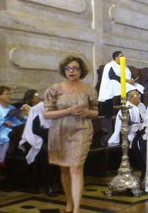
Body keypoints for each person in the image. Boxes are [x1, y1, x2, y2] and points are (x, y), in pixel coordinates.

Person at [44, 56, 98, 213]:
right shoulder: (54, 89)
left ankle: (77, 209)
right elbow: (47, 114)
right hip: (60, 130)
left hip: (82, 129)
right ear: (64, 70)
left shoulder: (89, 89)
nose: (71, 71)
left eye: (75, 68)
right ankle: (69, 202)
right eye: (68, 68)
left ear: (81, 71)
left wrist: (87, 112)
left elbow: (95, 111)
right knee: (65, 169)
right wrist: (68, 111)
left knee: (76, 167)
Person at [19, 101, 59, 197]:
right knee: (46, 152)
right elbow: (35, 130)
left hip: (53, 138)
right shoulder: (37, 109)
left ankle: (62, 181)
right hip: (36, 140)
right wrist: (52, 132)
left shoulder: (58, 107)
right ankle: (50, 184)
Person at [108, 89, 147, 182]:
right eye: (136, 95)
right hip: (126, 135)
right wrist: (139, 124)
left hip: (135, 132)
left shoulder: (139, 106)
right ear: (130, 98)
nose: (139, 97)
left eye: (139, 95)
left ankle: (146, 165)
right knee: (140, 141)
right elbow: (127, 122)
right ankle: (142, 165)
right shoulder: (126, 107)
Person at [98, 51, 144, 117]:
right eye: (121, 56)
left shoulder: (125, 67)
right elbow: (112, 76)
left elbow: (128, 75)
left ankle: (136, 110)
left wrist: (132, 80)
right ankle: (129, 108)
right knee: (128, 89)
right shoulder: (110, 65)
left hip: (126, 83)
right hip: (115, 83)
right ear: (116, 57)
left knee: (139, 87)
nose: (124, 57)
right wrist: (127, 80)